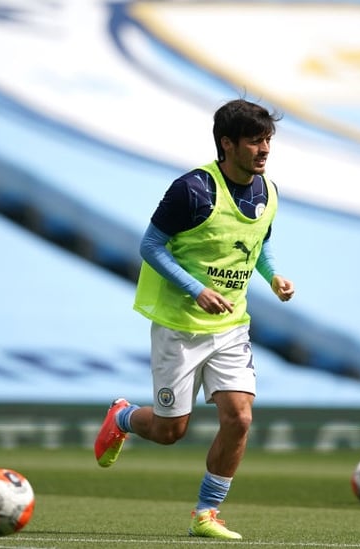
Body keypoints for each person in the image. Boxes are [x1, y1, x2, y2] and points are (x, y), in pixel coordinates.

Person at [93, 98, 295, 539]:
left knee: (240, 418)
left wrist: (274, 275)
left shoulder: (268, 192)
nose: (264, 150)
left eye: (268, 141)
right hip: (179, 327)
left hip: (230, 327)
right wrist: (196, 290)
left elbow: (256, 244)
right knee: (170, 432)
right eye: (255, 141)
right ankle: (123, 417)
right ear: (228, 144)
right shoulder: (193, 190)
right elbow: (150, 246)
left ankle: (206, 512)